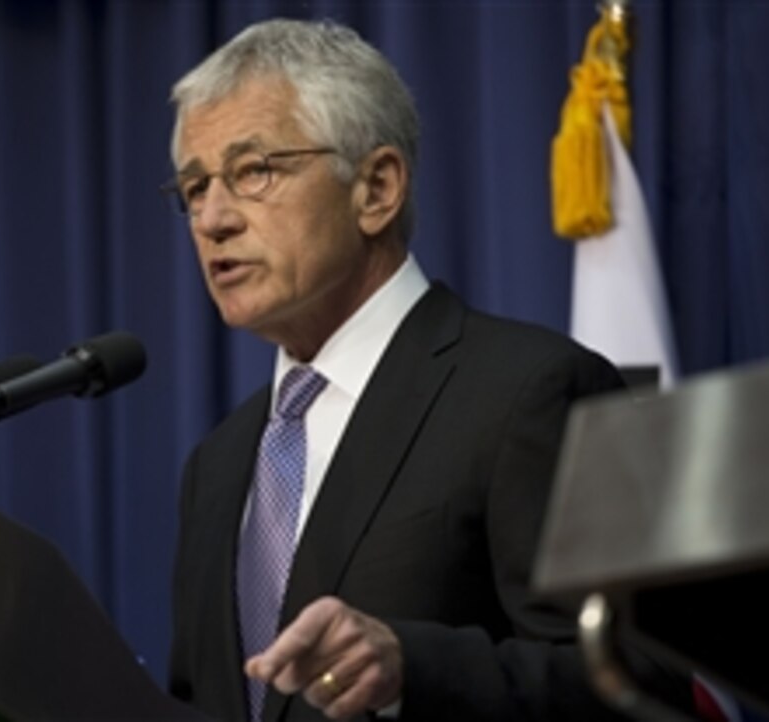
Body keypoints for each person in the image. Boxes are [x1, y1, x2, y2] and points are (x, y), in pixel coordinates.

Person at [165, 17, 690, 722]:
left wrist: (415, 668)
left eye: (254, 171)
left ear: (377, 188)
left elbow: (640, 679)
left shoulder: (528, 391)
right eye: (195, 188)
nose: (213, 218)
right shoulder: (220, 463)